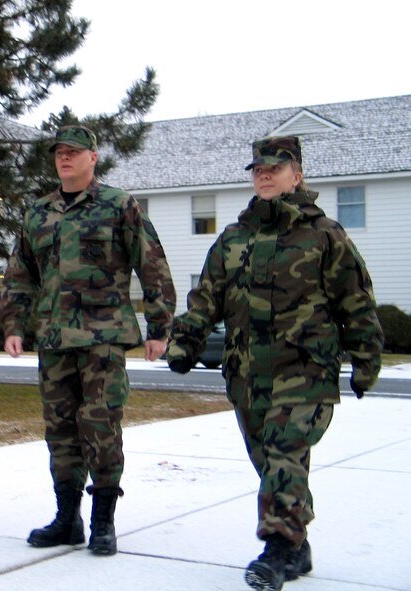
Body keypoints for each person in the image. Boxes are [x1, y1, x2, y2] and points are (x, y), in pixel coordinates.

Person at [166, 136, 383, 590]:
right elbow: (206, 296)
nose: (264, 175)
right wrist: (185, 342)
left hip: (304, 372)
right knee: (269, 462)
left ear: (297, 175)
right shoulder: (233, 238)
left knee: (285, 454)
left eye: (275, 168)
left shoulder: (324, 235)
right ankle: (297, 546)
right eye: (258, 170)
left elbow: (355, 302)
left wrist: (366, 359)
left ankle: (278, 549)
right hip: (247, 374)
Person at [0, 125, 176, 556]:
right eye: (60, 152)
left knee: (100, 425)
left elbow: (151, 265)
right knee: (60, 431)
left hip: (104, 337)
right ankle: (67, 518)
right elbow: (19, 274)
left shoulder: (119, 205)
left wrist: (160, 327)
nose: (65, 158)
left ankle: (103, 522)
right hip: (55, 339)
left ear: (93, 158)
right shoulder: (38, 213)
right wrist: (13, 325)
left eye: (74, 152)